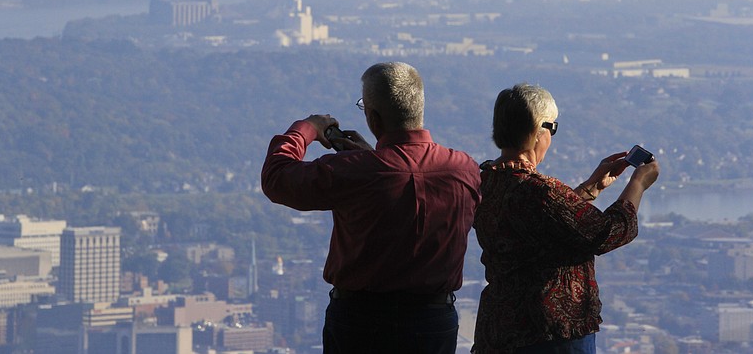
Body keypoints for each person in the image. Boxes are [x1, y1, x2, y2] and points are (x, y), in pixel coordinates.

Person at [261, 62, 481, 354]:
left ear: (373, 119)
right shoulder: (463, 169)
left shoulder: (353, 172)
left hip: (361, 322)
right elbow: (406, 182)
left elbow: (277, 178)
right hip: (434, 320)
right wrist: (375, 158)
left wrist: (308, 128)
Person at [471, 83, 659, 354]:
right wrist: (638, 183)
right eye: (553, 128)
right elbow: (609, 232)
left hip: (499, 328)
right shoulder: (542, 191)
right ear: (538, 131)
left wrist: (591, 188)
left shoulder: (485, 180)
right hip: (550, 334)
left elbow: (538, 224)